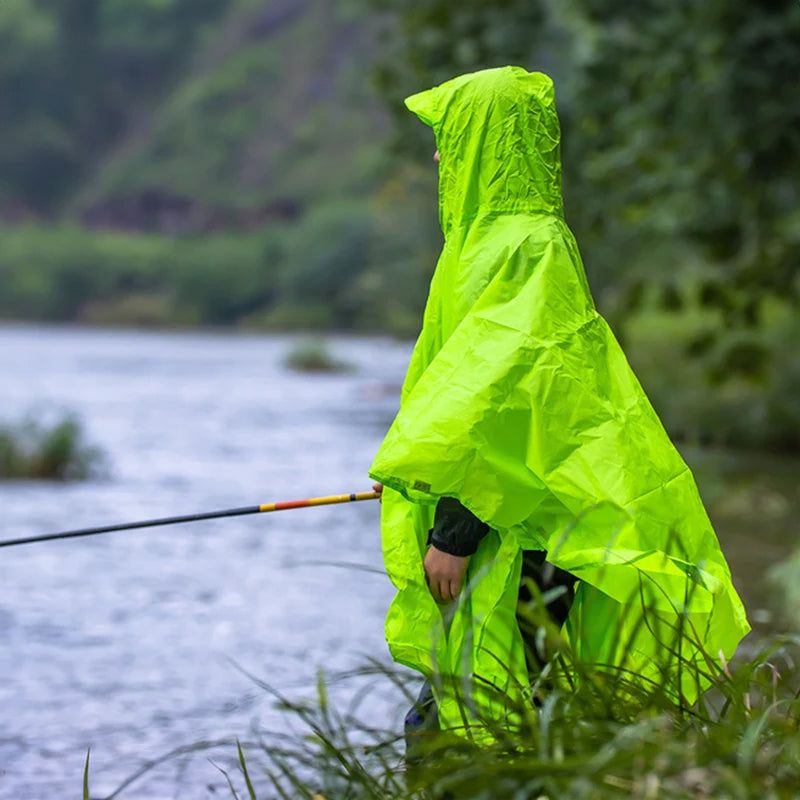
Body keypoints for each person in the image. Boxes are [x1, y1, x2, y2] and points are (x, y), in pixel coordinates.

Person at [369, 66, 750, 739]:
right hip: (502, 515)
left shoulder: (526, 247)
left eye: (450, 135)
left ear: (486, 139)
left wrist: (453, 531)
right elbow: (457, 391)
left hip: (522, 526)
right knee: (479, 710)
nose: (437, 155)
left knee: (477, 718)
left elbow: (509, 399)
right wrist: (420, 481)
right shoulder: (482, 245)